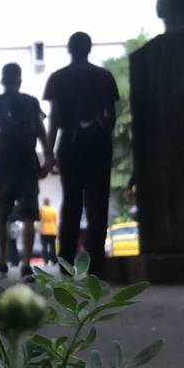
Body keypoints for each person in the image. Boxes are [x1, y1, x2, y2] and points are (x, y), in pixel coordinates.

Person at [43, 32, 120, 277]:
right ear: (89, 48)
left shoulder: (58, 78)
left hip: (70, 143)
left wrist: (49, 152)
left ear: (69, 49)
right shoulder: (104, 76)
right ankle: (96, 264)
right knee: (97, 203)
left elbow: (55, 118)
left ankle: (66, 263)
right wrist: (105, 138)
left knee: (71, 202)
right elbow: (111, 115)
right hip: (98, 143)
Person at [0, 63, 52, 281]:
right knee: (29, 216)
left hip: (4, 164)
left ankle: (2, 261)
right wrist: (48, 157)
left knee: (2, 214)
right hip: (28, 162)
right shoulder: (31, 102)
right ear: (19, 81)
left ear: (3, 81)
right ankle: (26, 264)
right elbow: (41, 130)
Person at [39, 197, 58, 266]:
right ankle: (54, 261)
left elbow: (39, 218)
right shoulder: (53, 210)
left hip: (44, 230)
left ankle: (46, 261)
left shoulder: (42, 210)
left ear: (44, 203)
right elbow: (55, 220)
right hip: (53, 230)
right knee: (53, 247)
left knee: (44, 247)